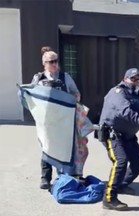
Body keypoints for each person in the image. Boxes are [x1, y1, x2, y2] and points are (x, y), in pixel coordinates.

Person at [31, 46, 81, 190]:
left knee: (63, 148)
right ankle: (45, 178)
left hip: (63, 121)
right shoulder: (38, 78)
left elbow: (76, 94)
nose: (54, 64)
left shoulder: (65, 77)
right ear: (44, 64)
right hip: (46, 122)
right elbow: (31, 94)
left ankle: (63, 176)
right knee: (46, 147)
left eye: (56, 61)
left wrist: (71, 99)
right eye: (50, 61)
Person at [99, 68, 139, 211]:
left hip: (128, 136)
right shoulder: (117, 92)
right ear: (125, 79)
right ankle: (109, 199)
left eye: (138, 79)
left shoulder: (137, 94)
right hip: (112, 135)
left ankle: (121, 185)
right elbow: (124, 111)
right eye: (133, 79)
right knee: (120, 162)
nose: (136, 82)